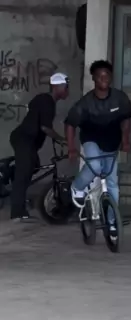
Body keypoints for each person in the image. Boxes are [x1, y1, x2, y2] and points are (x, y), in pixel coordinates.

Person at [65, 60, 131, 211]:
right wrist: (71, 148)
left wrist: (125, 140)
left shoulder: (119, 97)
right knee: (95, 166)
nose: (104, 78)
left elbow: (126, 119)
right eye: (100, 75)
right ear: (93, 78)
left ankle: (112, 221)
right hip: (91, 139)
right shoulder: (86, 102)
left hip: (112, 142)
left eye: (107, 75)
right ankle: (77, 187)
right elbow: (70, 124)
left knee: (112, 183)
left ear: (111, 77)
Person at [9, 72, 69, 221]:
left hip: (28, 141)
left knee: (33, 166)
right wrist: (61, 139)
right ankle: (17, 212)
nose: (67, 90)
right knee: (23, 174)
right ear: (56, 87)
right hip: (24, 139)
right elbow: (45, 128)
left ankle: (12, 177)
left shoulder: (46, 100)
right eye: (65, 87)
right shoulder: (46, 101)